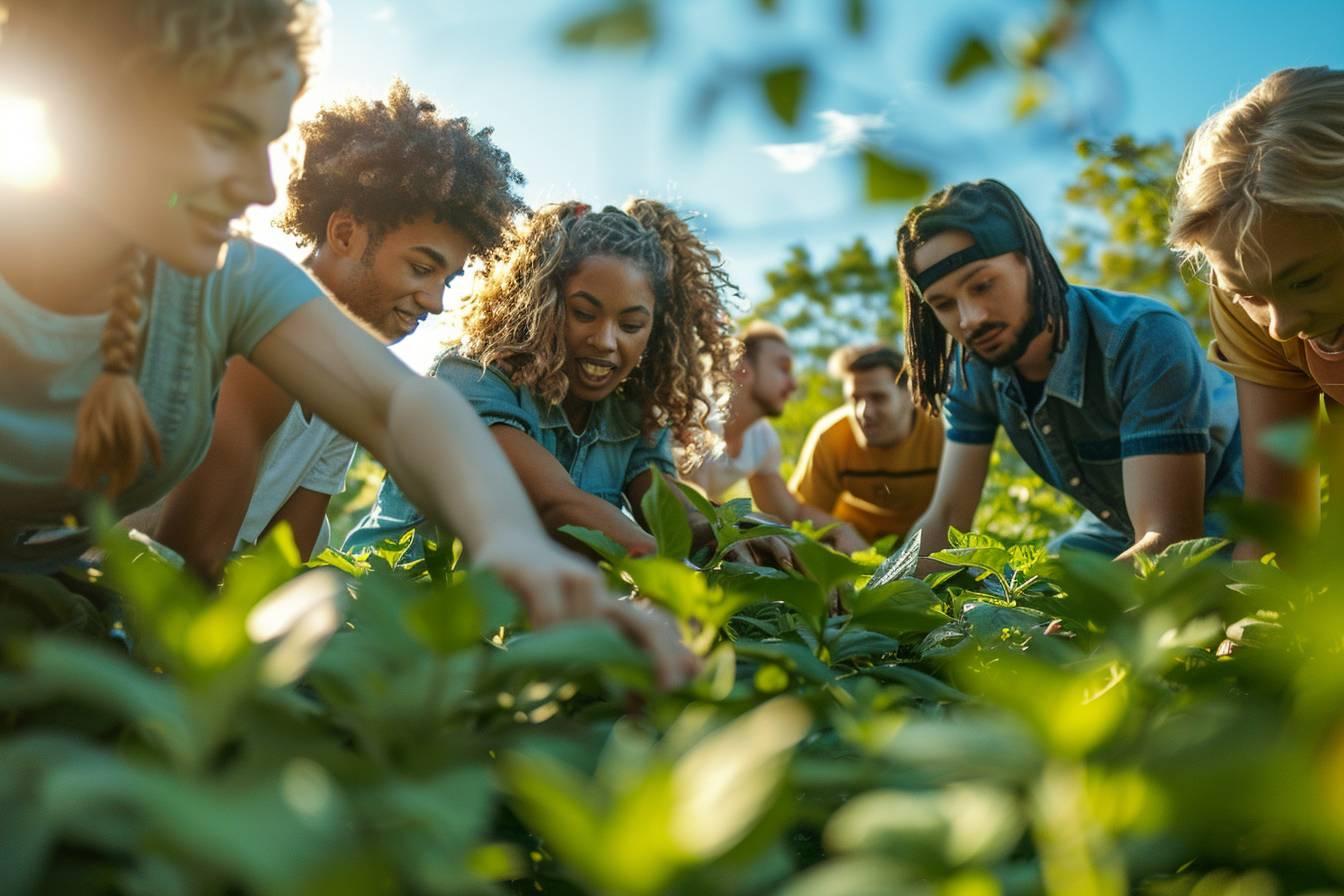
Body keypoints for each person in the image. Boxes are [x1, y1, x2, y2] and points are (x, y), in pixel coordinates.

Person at [0, 0, 693, 687]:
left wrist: (507, 535)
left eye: (268, 142)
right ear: (98, 108)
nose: (261, 184)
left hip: (75, 613)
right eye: (224, 131)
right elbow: (197, 558)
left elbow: (400, 405)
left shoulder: (231, 281)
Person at [139, 80, 526, 578]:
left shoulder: (343, 390)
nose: (435, 301)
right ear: (344, 234)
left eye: (447, 279)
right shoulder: (253, 325)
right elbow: (187, 560)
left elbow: (284, 560)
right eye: (420, 268)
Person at [344, 200, 793, 568]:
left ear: (657, 330)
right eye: (583, 313)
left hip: (509, 630)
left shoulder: (629, 412)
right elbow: (554, 505)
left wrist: (725, 538)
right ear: (543, 303)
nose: (605, 341)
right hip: (390, 602)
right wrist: (680, 578)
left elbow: (667, 507)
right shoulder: (473, 378)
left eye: (632, 324)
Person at [896, 179, 1242, 560]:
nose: (970, 320)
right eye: (943, 304)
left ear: (1031, 260)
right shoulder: (972, 371)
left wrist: (1074, 612)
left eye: (982, 285)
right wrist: (870, 597)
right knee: (1027, 591)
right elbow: (946, 517)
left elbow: (1171, 540)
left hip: (1233, 511)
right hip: (1116, 529)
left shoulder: (1143, 337)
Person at [1169, 66, 1344, 556]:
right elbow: (1277, 515)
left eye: (1308, 279)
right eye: (1248, 293)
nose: (1283, 324)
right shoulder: (1252, 295)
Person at [682, 321, 870, 554]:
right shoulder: (694, 416)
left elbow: (790, 513)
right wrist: (762, 526)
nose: (792, 385)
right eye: (783, 368)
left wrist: (840, 530)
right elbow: (685, 500)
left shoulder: (761, 439)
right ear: (742, 369)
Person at [789, 344, 943, 546]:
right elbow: (799, 512)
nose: (863, 412)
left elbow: (956, 513)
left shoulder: (944, 435)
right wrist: (839, 532)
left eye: (878, 398)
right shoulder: (829, 436)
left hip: (926, 545)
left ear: (911, 396)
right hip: (851, 549)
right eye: (854, 399)